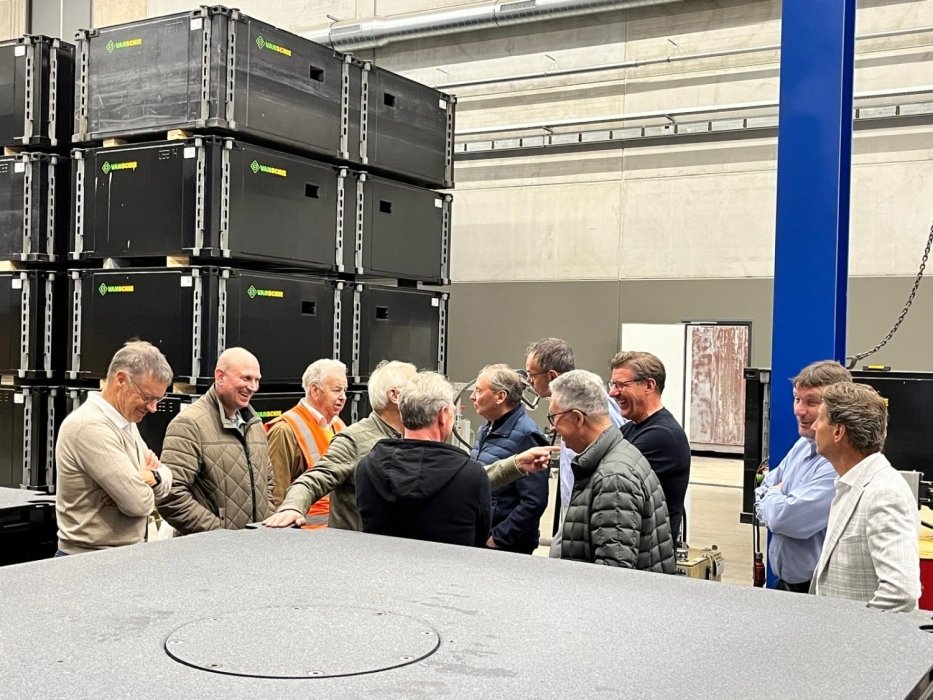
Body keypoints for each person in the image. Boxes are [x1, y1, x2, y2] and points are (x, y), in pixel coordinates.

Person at [265, 361, 555, 531]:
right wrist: (292, 507)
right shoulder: (354, 439)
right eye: (414, 383)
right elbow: (314, 479)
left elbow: (461, 479)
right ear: (395, 396)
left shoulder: (410, 439)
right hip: (358, 556)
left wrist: (515, 465)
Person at [548, 370, 676, 571]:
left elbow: (613, 574)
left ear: (577, 418)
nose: (553, 428)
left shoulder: (613, 480)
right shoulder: (616, 457)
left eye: (553, 417)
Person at [54, 340, 173, 555]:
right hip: (88, 561)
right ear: (121, 380)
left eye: (158, 399)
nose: (153, 408)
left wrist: (153, 477)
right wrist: (138, 485)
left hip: (118, 555)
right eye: (147, 397)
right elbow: (138, 504)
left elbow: (166, 477)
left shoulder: (125, 422)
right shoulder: (90, 426)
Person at [810, 382, 920, 612]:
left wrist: (855, 631)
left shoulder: (883, 494)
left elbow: (901, 593)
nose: (813, 426)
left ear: (838, 432)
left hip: (853, 634)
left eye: (820, 419)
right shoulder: (851, 484)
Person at [356, 372, 490, 547]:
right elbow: (481, 538)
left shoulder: (366, 468)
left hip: (382, 564)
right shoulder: (472, 476)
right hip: (448, 565)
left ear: (403, 413)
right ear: (442, 415)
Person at [754, 360, 851, 592]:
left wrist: (773, 497)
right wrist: (776, 498)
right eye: (797, 399)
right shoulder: (802, 444)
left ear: (838, 408)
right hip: (784, 582)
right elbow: (762, 487)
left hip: (816, 589)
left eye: (811, 402)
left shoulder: (836, 464)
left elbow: (786, 520)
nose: (799, 410)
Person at [524, 338, 625, 557]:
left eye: (532, 374)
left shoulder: (594, 404)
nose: (529, 381)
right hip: (575, 512)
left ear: (551, 376)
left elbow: (616, 447)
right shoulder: (568, 405)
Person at [158, 347, 274, 534]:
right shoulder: (189, 424)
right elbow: (171, 495)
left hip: (254, 544)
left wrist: (266, 525)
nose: (253, 387)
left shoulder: (254, 425)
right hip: (210, 548)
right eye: (246, 378)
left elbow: (268, 482)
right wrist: (219, 533)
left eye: (257, 380)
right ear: (220, 377)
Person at [609, 351, 691, 543]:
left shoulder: (662, 436)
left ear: (649, 386)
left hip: (647, 552)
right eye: (612, 384)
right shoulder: (630, 428)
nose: (613, 393)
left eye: (621, 385)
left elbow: (609, 479)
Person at [470, 364, 549, 554]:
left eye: (478, 390)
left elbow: (534, 501)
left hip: (505, 547)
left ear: (500, 397)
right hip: (482, 537)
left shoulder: (527, 435)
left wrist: (498, 538)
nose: (472, 396)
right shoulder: (486, 428)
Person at [265, 358, 348, 525]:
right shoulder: (285, 430)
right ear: (315, 390)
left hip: (337, 527)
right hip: (304, 531)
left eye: (345, 390)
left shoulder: (339, 425)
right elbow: (276, 496)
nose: (343, 397)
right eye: (337, 390)